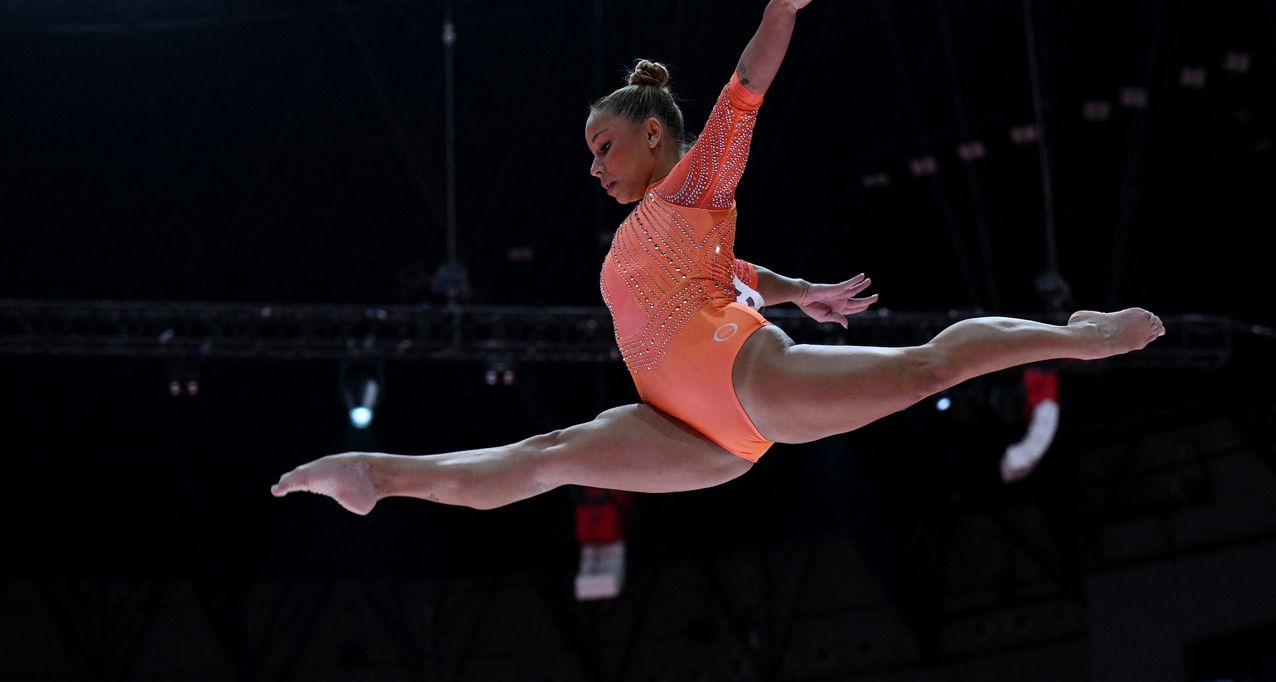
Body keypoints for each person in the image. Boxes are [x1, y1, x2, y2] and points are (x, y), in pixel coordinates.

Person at [271, 0, 1164, 515]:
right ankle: (374, 476)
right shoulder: (661, 231)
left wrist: (779, 10)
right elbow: (727, 270)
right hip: (690, 435)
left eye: (604, 147)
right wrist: (795, 287)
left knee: (927, 368)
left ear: (654, 136)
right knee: (545, 457)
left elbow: (748, 85)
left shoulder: (692, 185)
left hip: (741, 379)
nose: (594, 167)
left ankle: (1083, 337)